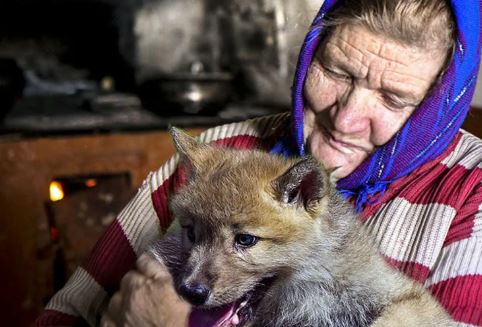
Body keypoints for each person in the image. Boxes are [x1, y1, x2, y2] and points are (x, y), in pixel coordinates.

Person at [38, 0, 482, 326]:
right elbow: (67, 313)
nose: (344, 118)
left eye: (392, 97)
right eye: (337, 71)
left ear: (437, 107)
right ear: (310, 53)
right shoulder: (216, 156)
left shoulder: (471, 193)